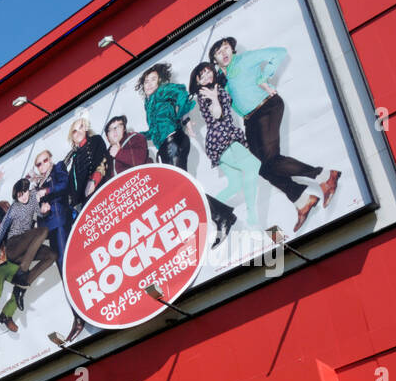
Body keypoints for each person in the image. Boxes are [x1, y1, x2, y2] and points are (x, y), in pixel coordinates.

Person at [209, 37, 341, 234]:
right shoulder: (221, 79)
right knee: (260, 167)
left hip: (267, 107)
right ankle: (303, 200)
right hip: (250, 120)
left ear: (233, 49)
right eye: (219, 52)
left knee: (271, 159)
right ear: (214, 60)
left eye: (226, 47)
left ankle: (325, 176)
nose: (224, 53)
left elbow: (278, 52)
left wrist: (264, 77)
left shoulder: (245, 59)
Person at [137, 62, 237, 245]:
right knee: (182, 190)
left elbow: (181, 92)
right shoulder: (148, 103)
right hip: (165, 147)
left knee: (183, 188)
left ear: (160, 81)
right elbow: (154, 132)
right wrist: (136, 136)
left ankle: (222, 217)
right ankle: (222, 215)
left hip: (174, 142)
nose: (149, 84)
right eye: (146, 81)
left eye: (153, 80)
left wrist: (181, 112)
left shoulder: (163, 91)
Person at [0, 178, 58, 356]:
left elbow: (37, 210)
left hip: (18, 254)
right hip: (1, 259)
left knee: (52, 255)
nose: (23, 197)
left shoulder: (6, 205)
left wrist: (44, 211)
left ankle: (7, 312)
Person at [189, 61, 268, 235]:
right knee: (253, 166)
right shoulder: (205, 93)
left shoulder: (215, 86)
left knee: (235, 184)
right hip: (222, 138)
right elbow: (217, 114)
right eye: (202, 75)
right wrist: (215, 97)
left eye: (209, 72)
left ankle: (209, 213)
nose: (207, 76)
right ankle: (253, 218)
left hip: (223, 137)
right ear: (197, 80)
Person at [28, 149, 85, 343]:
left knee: (66, 265)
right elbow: (34, 209)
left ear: (51, 160)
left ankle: (80, 316)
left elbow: (64, 185)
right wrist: (41, 206)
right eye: (39, 163)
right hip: (48, 227)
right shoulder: (37, 184)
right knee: (62, 269)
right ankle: (77, 316)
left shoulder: (59, 168)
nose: (43, 165)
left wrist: (46, 191)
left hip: (61, 222)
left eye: (45, 160)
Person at [64, 116, 110, 204]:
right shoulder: (74, 157)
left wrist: (94, 179)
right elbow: (72, 185)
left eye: (80, 127)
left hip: (102, 187)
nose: (78, 132)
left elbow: (103, 159)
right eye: (74, 131)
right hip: (88, 200)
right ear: (72, 137)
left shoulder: (96, 140)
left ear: (85, 128)